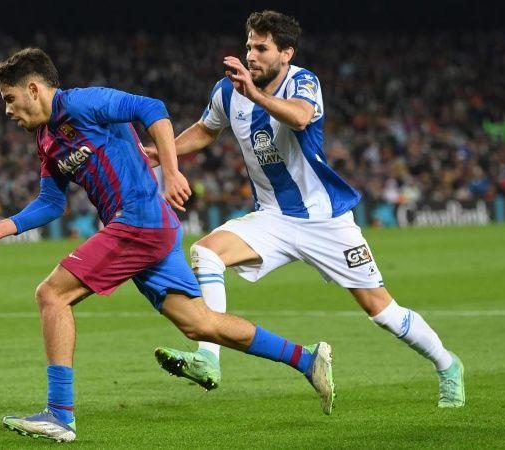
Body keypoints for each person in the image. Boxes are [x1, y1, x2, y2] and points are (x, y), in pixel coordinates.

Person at [0, 48, 335, 443]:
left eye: (10, 98)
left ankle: (59, 414)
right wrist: (1, 228)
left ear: (34, 89)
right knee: (200, 324)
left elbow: (152, 108)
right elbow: (52, 202)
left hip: (139, 219)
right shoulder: (47, 139)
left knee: (52, 295)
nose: (7, 110)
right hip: (148, 226)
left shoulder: (82, 103)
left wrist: (171, 172)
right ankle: (307, 359)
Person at [147, 10, 465, 408]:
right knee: (206, 252)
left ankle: (447, 364)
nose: (252, 55)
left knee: (381, 310)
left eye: (262, 48)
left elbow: (299, 117)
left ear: (286, 53)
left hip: (325, 220)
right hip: (273, 218)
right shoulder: (227, 91)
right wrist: (162, 153)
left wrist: (255, 94)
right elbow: (206, 129)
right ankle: (208, 359)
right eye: (249, 47)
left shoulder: (303, 82)